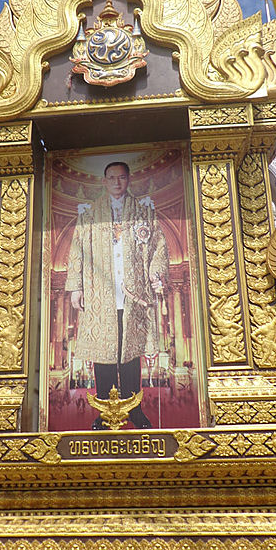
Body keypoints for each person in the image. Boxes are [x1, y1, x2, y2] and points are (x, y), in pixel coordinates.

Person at [65, 161, 168, 429]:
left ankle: (134, 410)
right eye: (112, 178)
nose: (117, 183)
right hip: (101, 295)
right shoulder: (89, 213)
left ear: (128, 179)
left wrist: (156, 275)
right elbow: (76, 250)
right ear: (104, 181)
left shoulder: (144, 210)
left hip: (134, 295)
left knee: (131, 355)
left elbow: (158, 246)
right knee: (105, 355)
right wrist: (76, 286)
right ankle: (104, 412)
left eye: (121, 178)